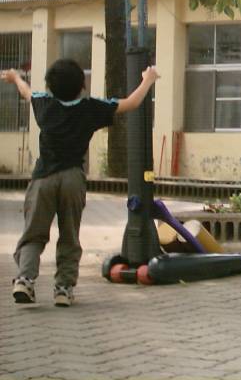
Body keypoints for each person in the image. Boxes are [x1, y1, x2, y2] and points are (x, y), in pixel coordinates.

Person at [2, 58, 159, 307]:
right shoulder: (91, 108)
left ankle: (25, 280)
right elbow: (131, 102)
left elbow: (26, 92)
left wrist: (15, 78)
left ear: (50, 87)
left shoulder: (44, 104)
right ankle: (63, 289)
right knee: (69, 235)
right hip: (73, 179)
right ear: (82, 86)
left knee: (34, 234)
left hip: (43, 179)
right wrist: (148, 80)